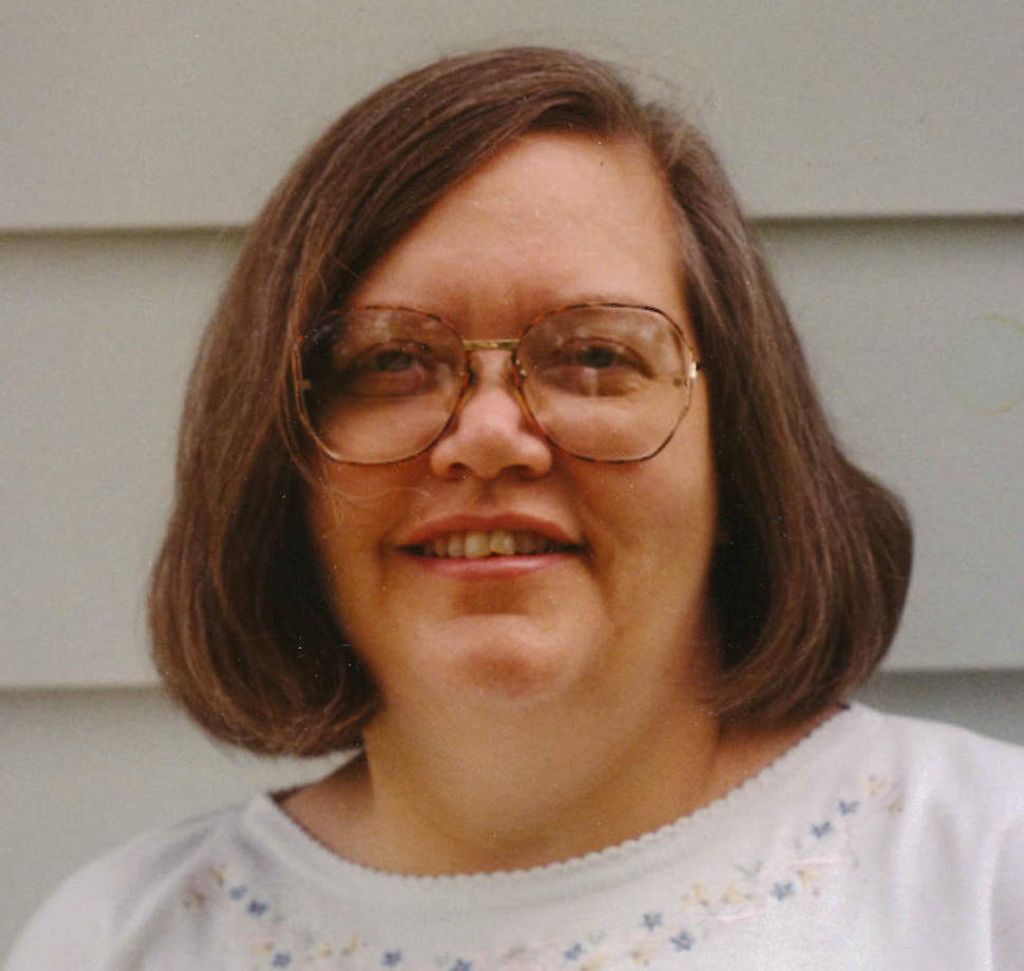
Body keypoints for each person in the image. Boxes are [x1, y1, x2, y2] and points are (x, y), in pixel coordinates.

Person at [7, 47, 1023, 970]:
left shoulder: (984, 876)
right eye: (391, 361)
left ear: (742, 448)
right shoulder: (120, 940)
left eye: (596, 354)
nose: (489, 434)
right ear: (284, 470)